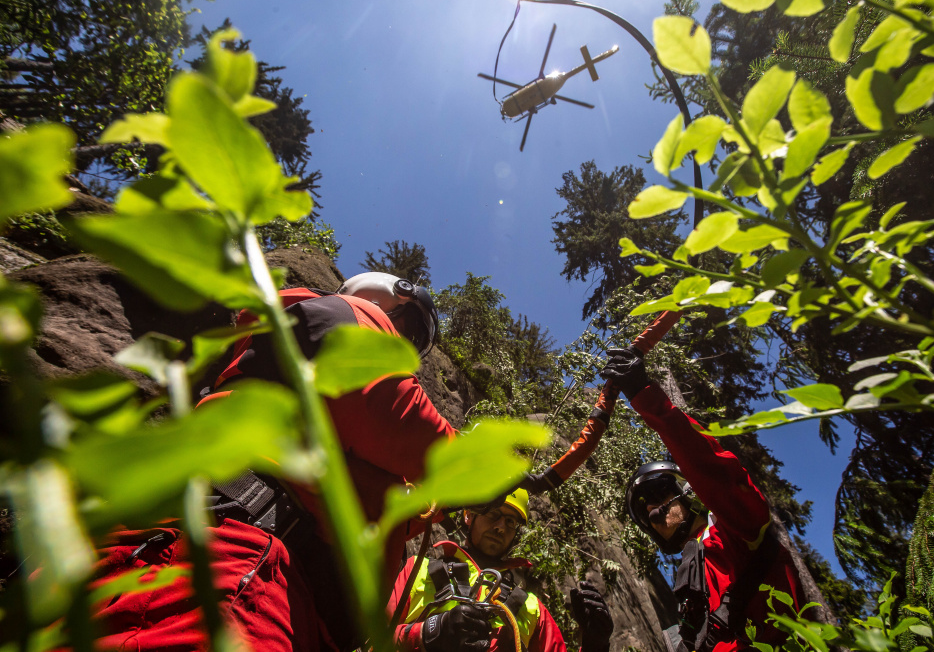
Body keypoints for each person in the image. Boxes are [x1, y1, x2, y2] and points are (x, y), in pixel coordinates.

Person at [89, 272, 457, 652]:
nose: (404, 346)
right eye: (407, 325)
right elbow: (393, 412)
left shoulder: (296, 352)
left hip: (254, 571)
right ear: (382, 293)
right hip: (243, 564)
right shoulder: (345, 314)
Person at [601, 346, 807, 652]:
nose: (652, 510)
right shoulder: (689, 592)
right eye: (644, 511)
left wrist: (643, 393)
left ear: (689, 492)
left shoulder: (738, 530)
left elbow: (713, 469)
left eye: (659, 494)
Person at [387, 489, 614, 652]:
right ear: (468, 515)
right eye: (493, 514)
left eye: (510, 522)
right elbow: (367, 641)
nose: (500, 527)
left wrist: (596, 645)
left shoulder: (530, 609)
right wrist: (430, 633)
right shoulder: (419, 570)